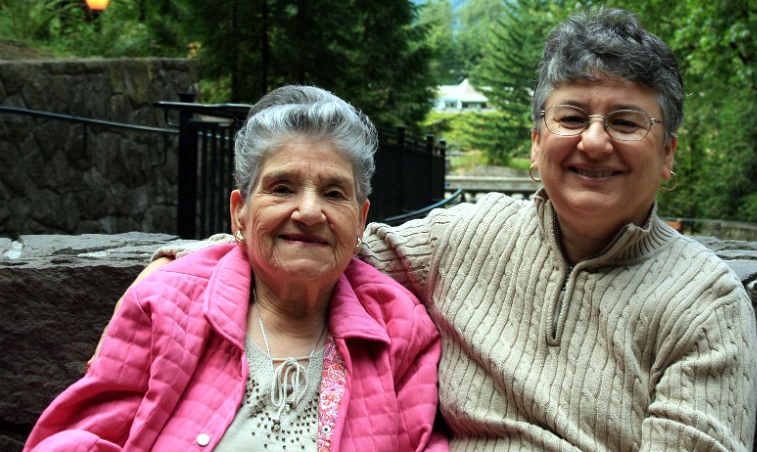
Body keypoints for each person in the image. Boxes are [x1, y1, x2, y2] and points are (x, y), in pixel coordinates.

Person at [102, 7, 757, 451]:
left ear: (668, 151)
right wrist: (191, 256)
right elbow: (326, 242)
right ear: (536, 142)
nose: (593, 141)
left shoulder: (706, 305)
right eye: (571, 118)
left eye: (625, 121)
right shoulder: (464, 239)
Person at [24, 86, 447, 451]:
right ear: (239, 213)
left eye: (334, 193)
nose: (309, 211)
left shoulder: (399, 327)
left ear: (360, 219)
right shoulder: (168, 301)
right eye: (282, 188)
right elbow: (83, 437)